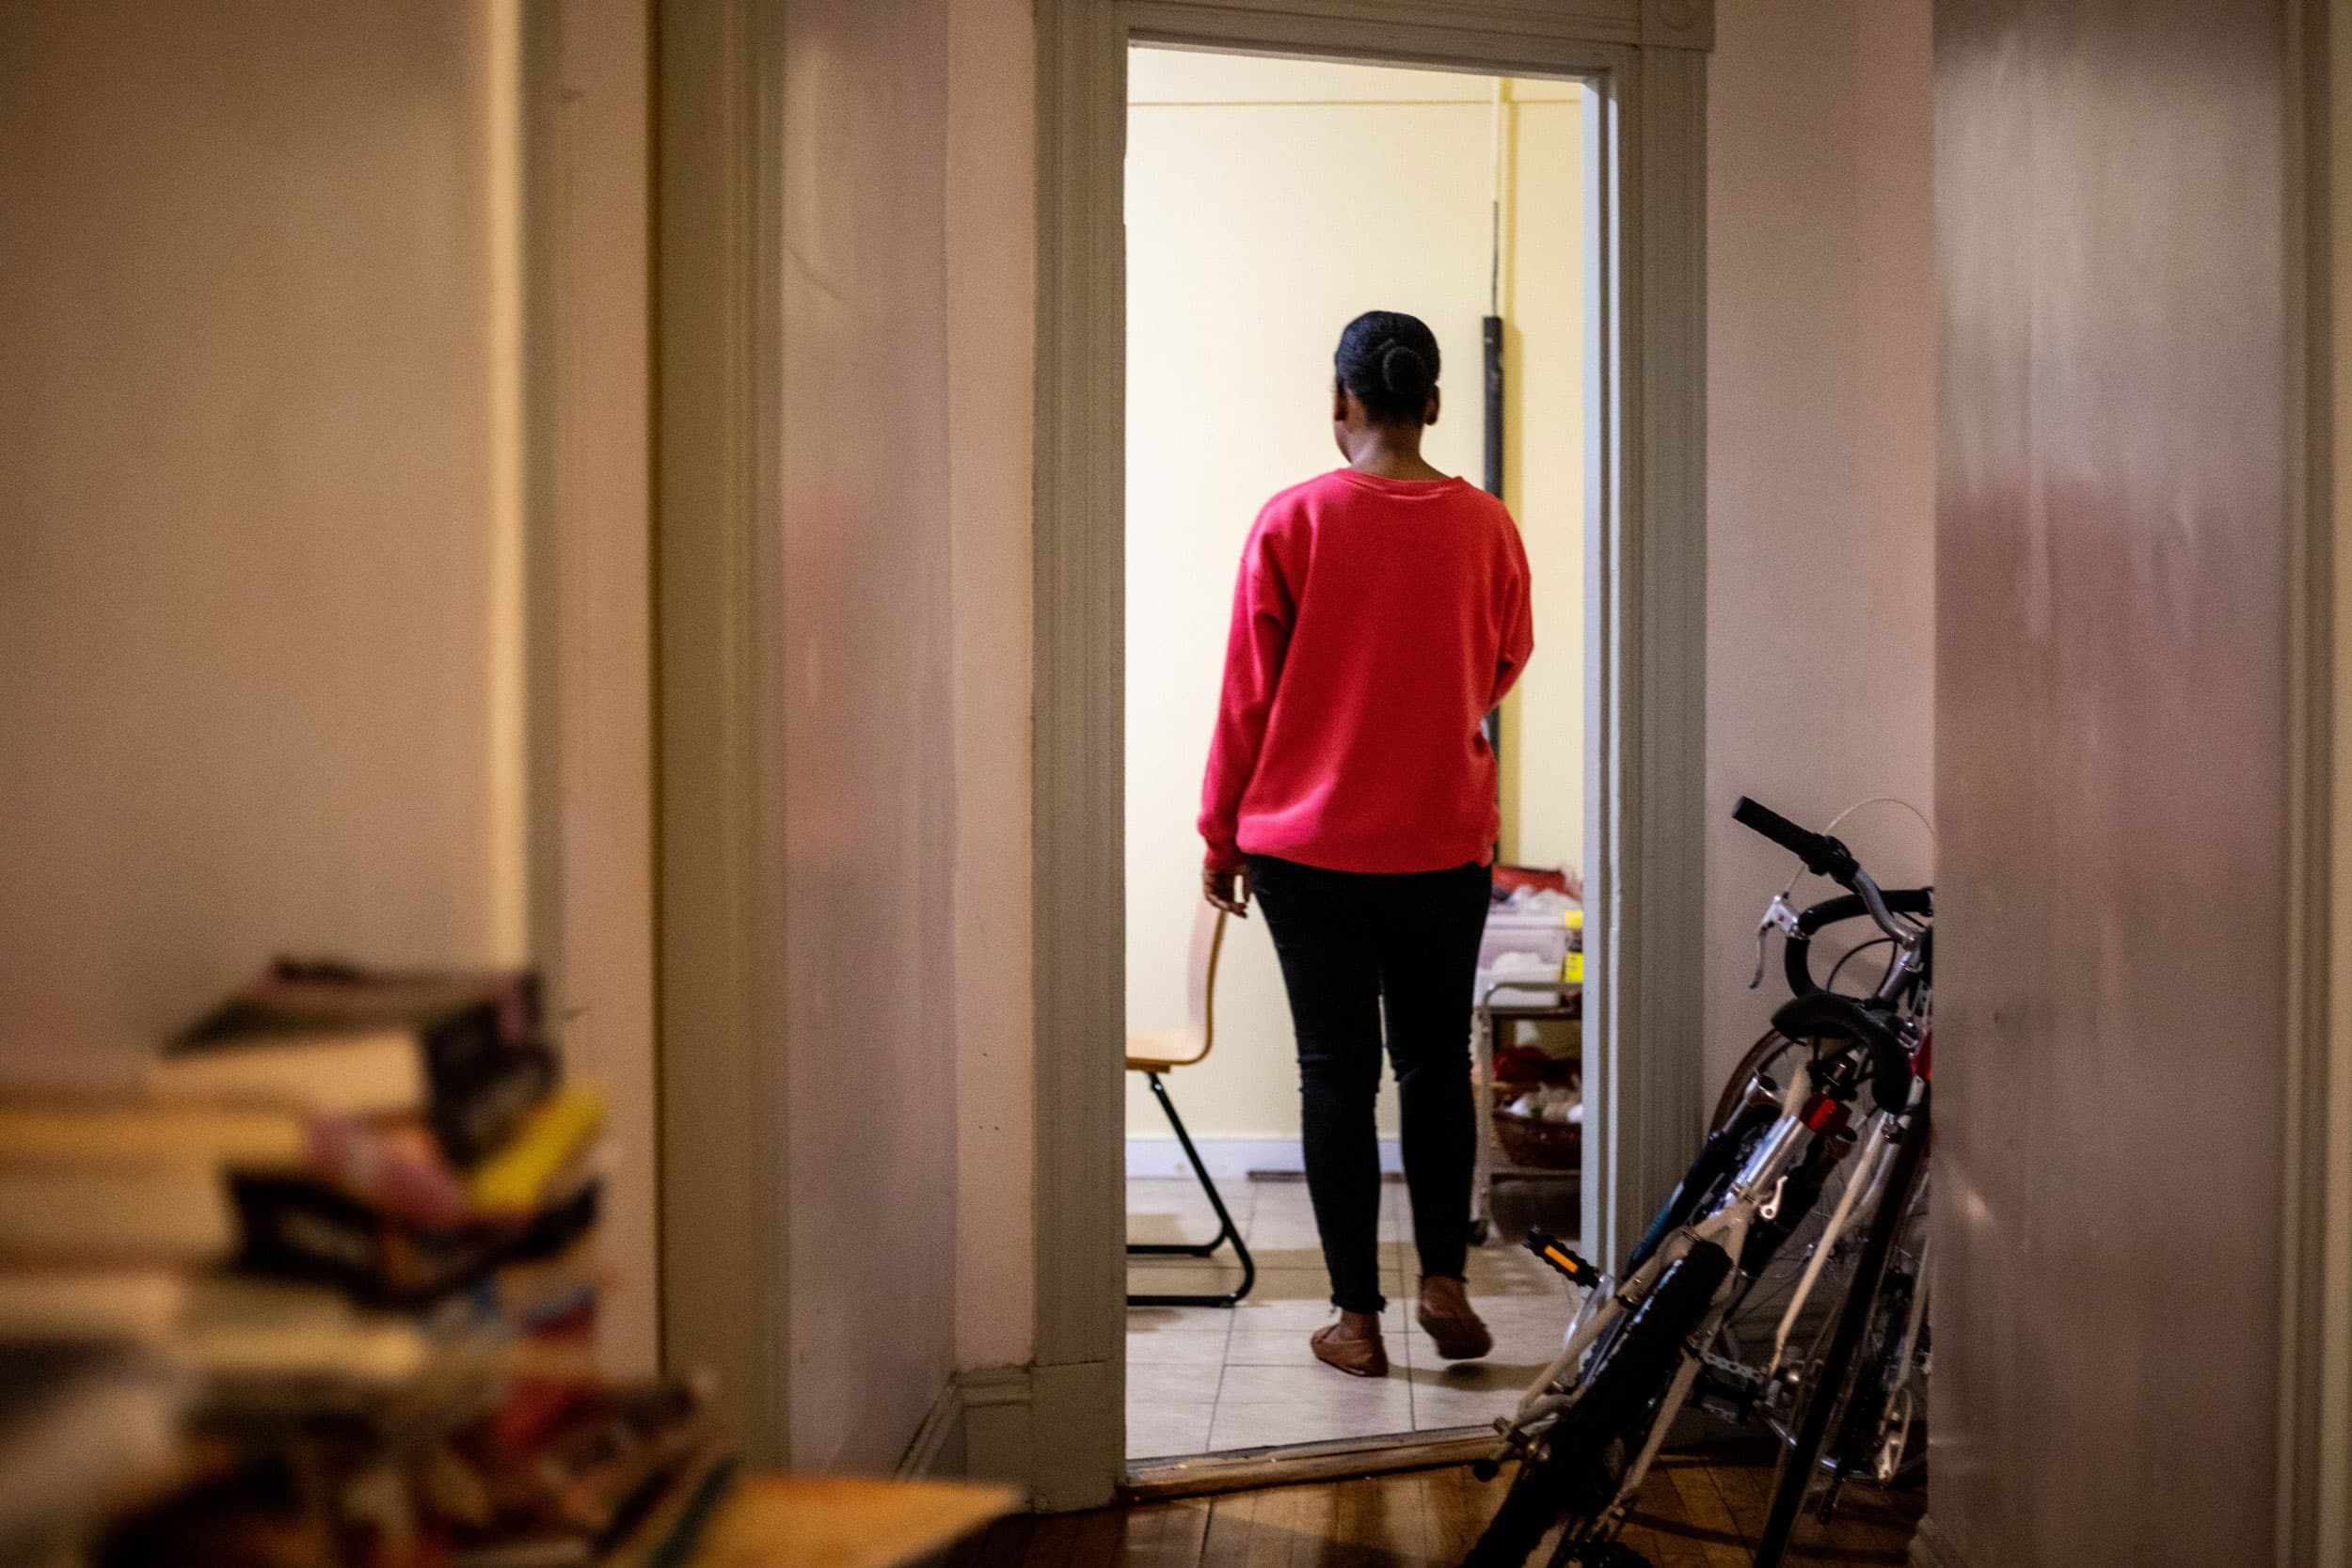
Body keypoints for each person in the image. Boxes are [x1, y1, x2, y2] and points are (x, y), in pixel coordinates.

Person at [1199, 309, 1534, 1378]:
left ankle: (1355, 1318)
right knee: (1436, 1064)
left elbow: (1247, 696)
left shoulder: (1292, 520)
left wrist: (1221, 829)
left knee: (1334, 1074)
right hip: (1442, 843)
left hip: (1308, 851)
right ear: (1432, 401)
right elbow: (1504, 657)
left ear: (1340, 401)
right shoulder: (1487, 525)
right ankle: (1444, 1274)